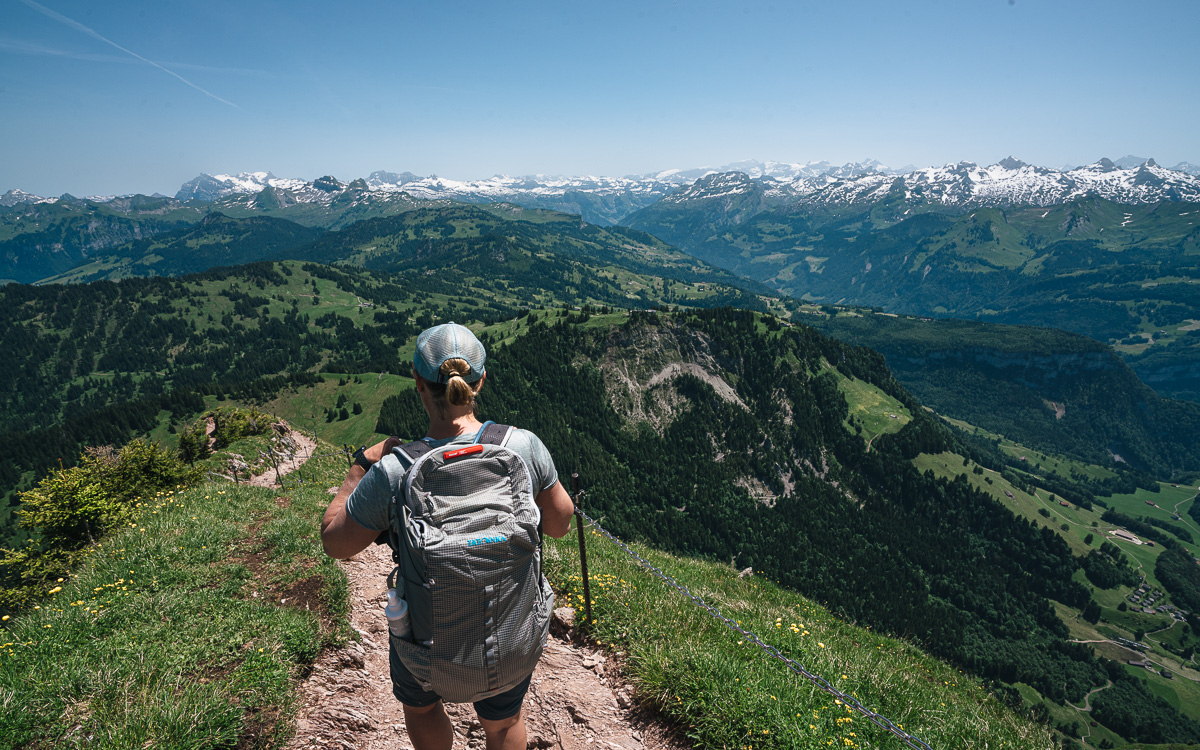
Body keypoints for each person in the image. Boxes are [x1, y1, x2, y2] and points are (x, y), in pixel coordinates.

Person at [321, 322, 574, 750]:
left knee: (421, 709)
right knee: (505, 721)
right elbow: (559, 524)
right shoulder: (524, 447)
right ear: (480, 382)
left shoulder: (396, 470)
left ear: (417, 382)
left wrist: (358, 469)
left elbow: (336, 542)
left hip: (428, 650)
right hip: (512, 638)